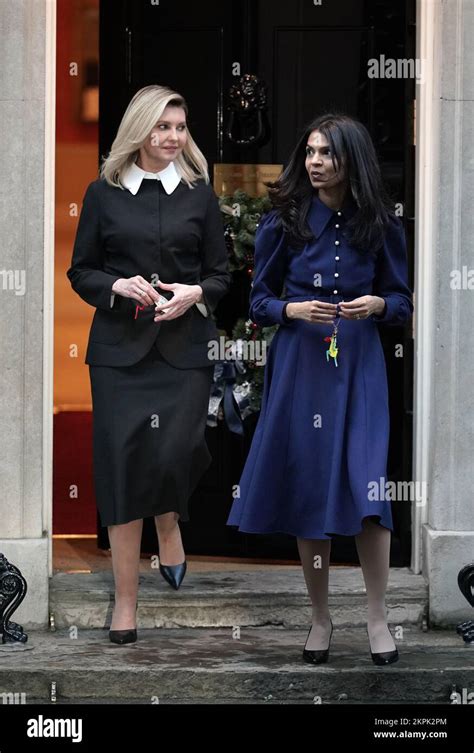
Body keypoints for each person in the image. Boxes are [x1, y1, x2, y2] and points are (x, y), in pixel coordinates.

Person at [227, 113, 413, 665]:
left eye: (326, 153)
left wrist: (379, 304)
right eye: (309, 151)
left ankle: (378, 619)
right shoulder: (284, 219)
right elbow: (257, 301)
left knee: (369, 491)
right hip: (301, 364)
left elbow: (401, 300)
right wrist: (291, 308)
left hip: (359, 365)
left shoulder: (378, 220)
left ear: (349, 159)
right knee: (312, 489)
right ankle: (320, 619)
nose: (314, 162)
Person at [67, 85, 231, 644]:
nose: (173, 137)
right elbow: (81, 270)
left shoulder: (199, 194)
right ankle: (126, 603)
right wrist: (115, 284)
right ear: (140, 130)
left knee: (177, 449)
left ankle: (168, 522)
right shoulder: (102, 194)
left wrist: (194, 293)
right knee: (120, 466)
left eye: (180, 128)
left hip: (185, 350)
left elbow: (221, 274)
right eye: (163, 127)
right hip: (118, 353)